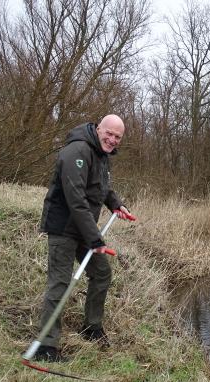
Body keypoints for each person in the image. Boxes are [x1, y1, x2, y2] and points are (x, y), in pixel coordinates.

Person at [35, 114, 131, 362]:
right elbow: (75, 198)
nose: (112, 140)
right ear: (98, 128)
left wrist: (115, 204)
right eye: (109, 133)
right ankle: (47, 346)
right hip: (64, 227)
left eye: (117, 137)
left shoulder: (101, 154)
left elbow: (101, 187)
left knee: (101, 273)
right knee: (60, 282)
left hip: (82, 228)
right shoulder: (77, 150)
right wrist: (96, 240)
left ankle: (92, 328)